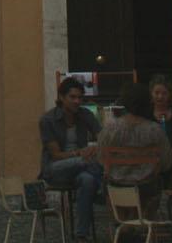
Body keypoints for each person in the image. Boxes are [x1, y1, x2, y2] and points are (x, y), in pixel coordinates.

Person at [39, 76, 103, 242]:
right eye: (72, 97)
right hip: (56, 169)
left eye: (80, 98)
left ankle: (81, 234)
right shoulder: (48, 120)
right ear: (61, 97)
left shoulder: (85, 115)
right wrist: (80, 153)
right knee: (87, 162)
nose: (77, 101)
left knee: (88, 180)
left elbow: (103, 138)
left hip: (82, 169)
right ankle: (103, 185)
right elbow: (56, 155)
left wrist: (96, 147)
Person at [96, 81, 172, 212]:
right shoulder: (156, 130)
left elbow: (101, 160)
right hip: (148, 190)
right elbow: (166, 163)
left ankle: (124, 226)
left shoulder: (109, 130)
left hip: (116, 189)